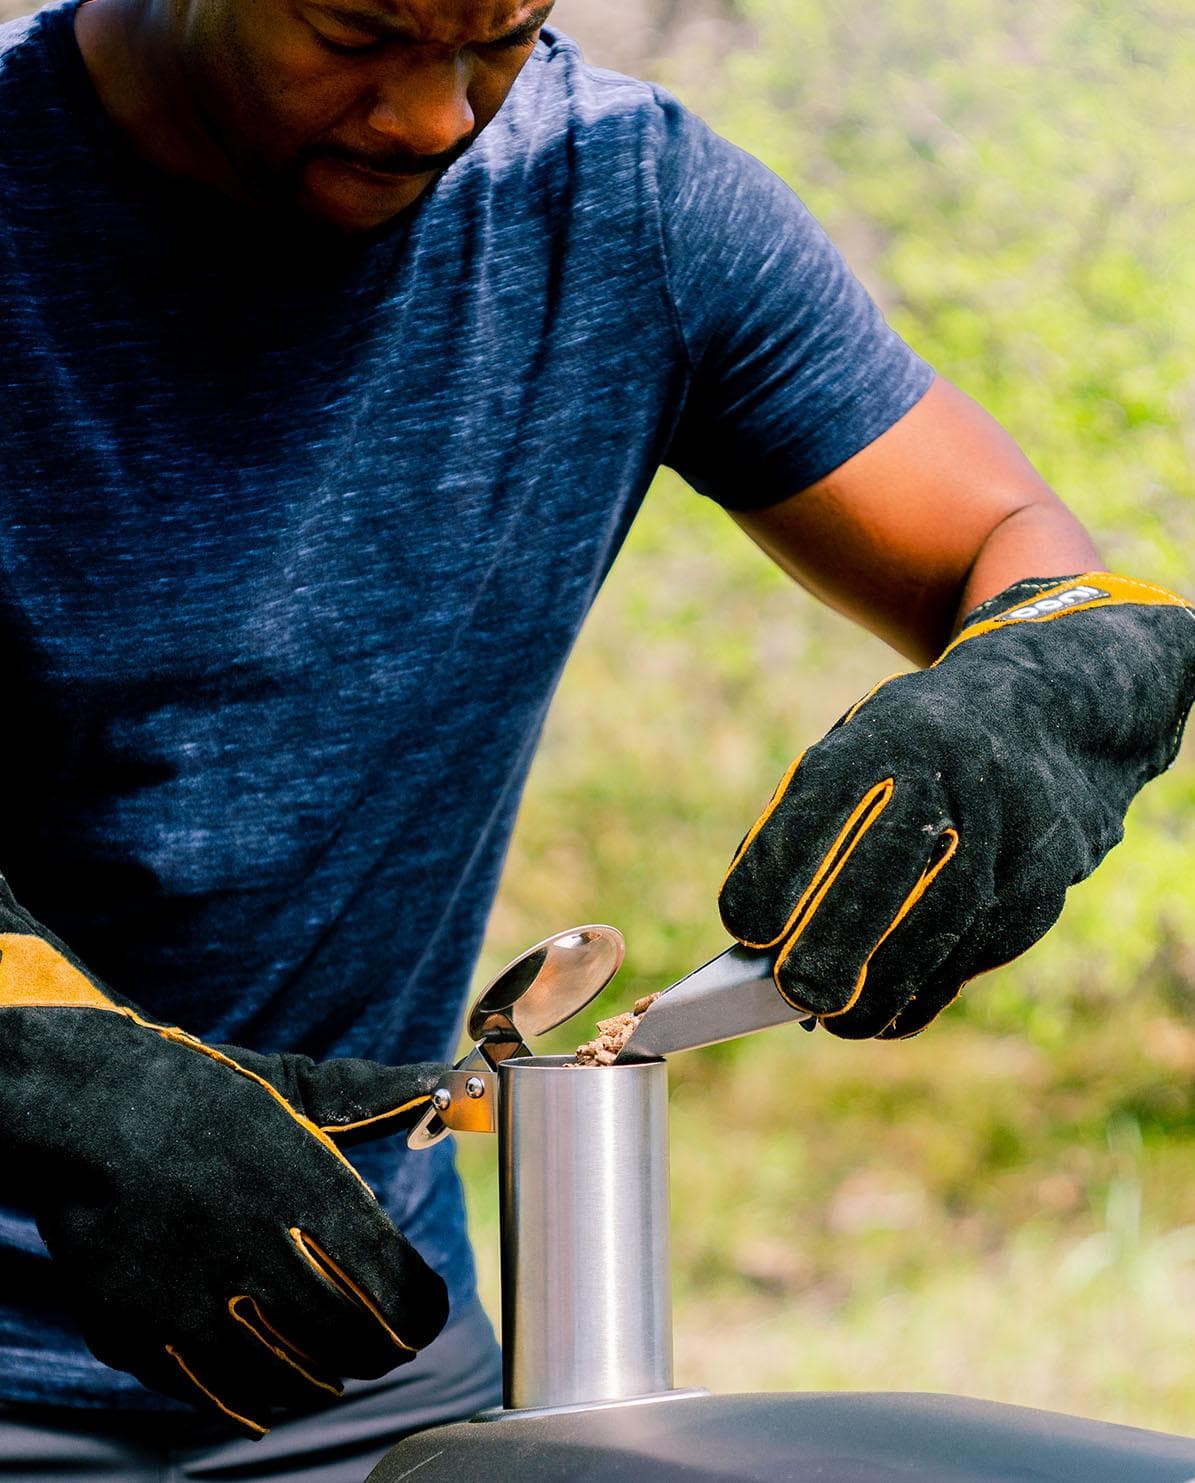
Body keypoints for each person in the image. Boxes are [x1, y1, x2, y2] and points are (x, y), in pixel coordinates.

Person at [0, 0, 1191, 1478]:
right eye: (360, 29)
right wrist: (33, 1059)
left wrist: (1052, 684)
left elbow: (1018, 558)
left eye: (500, 35)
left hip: (361, 1338)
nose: (439, 117)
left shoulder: (619, 204)